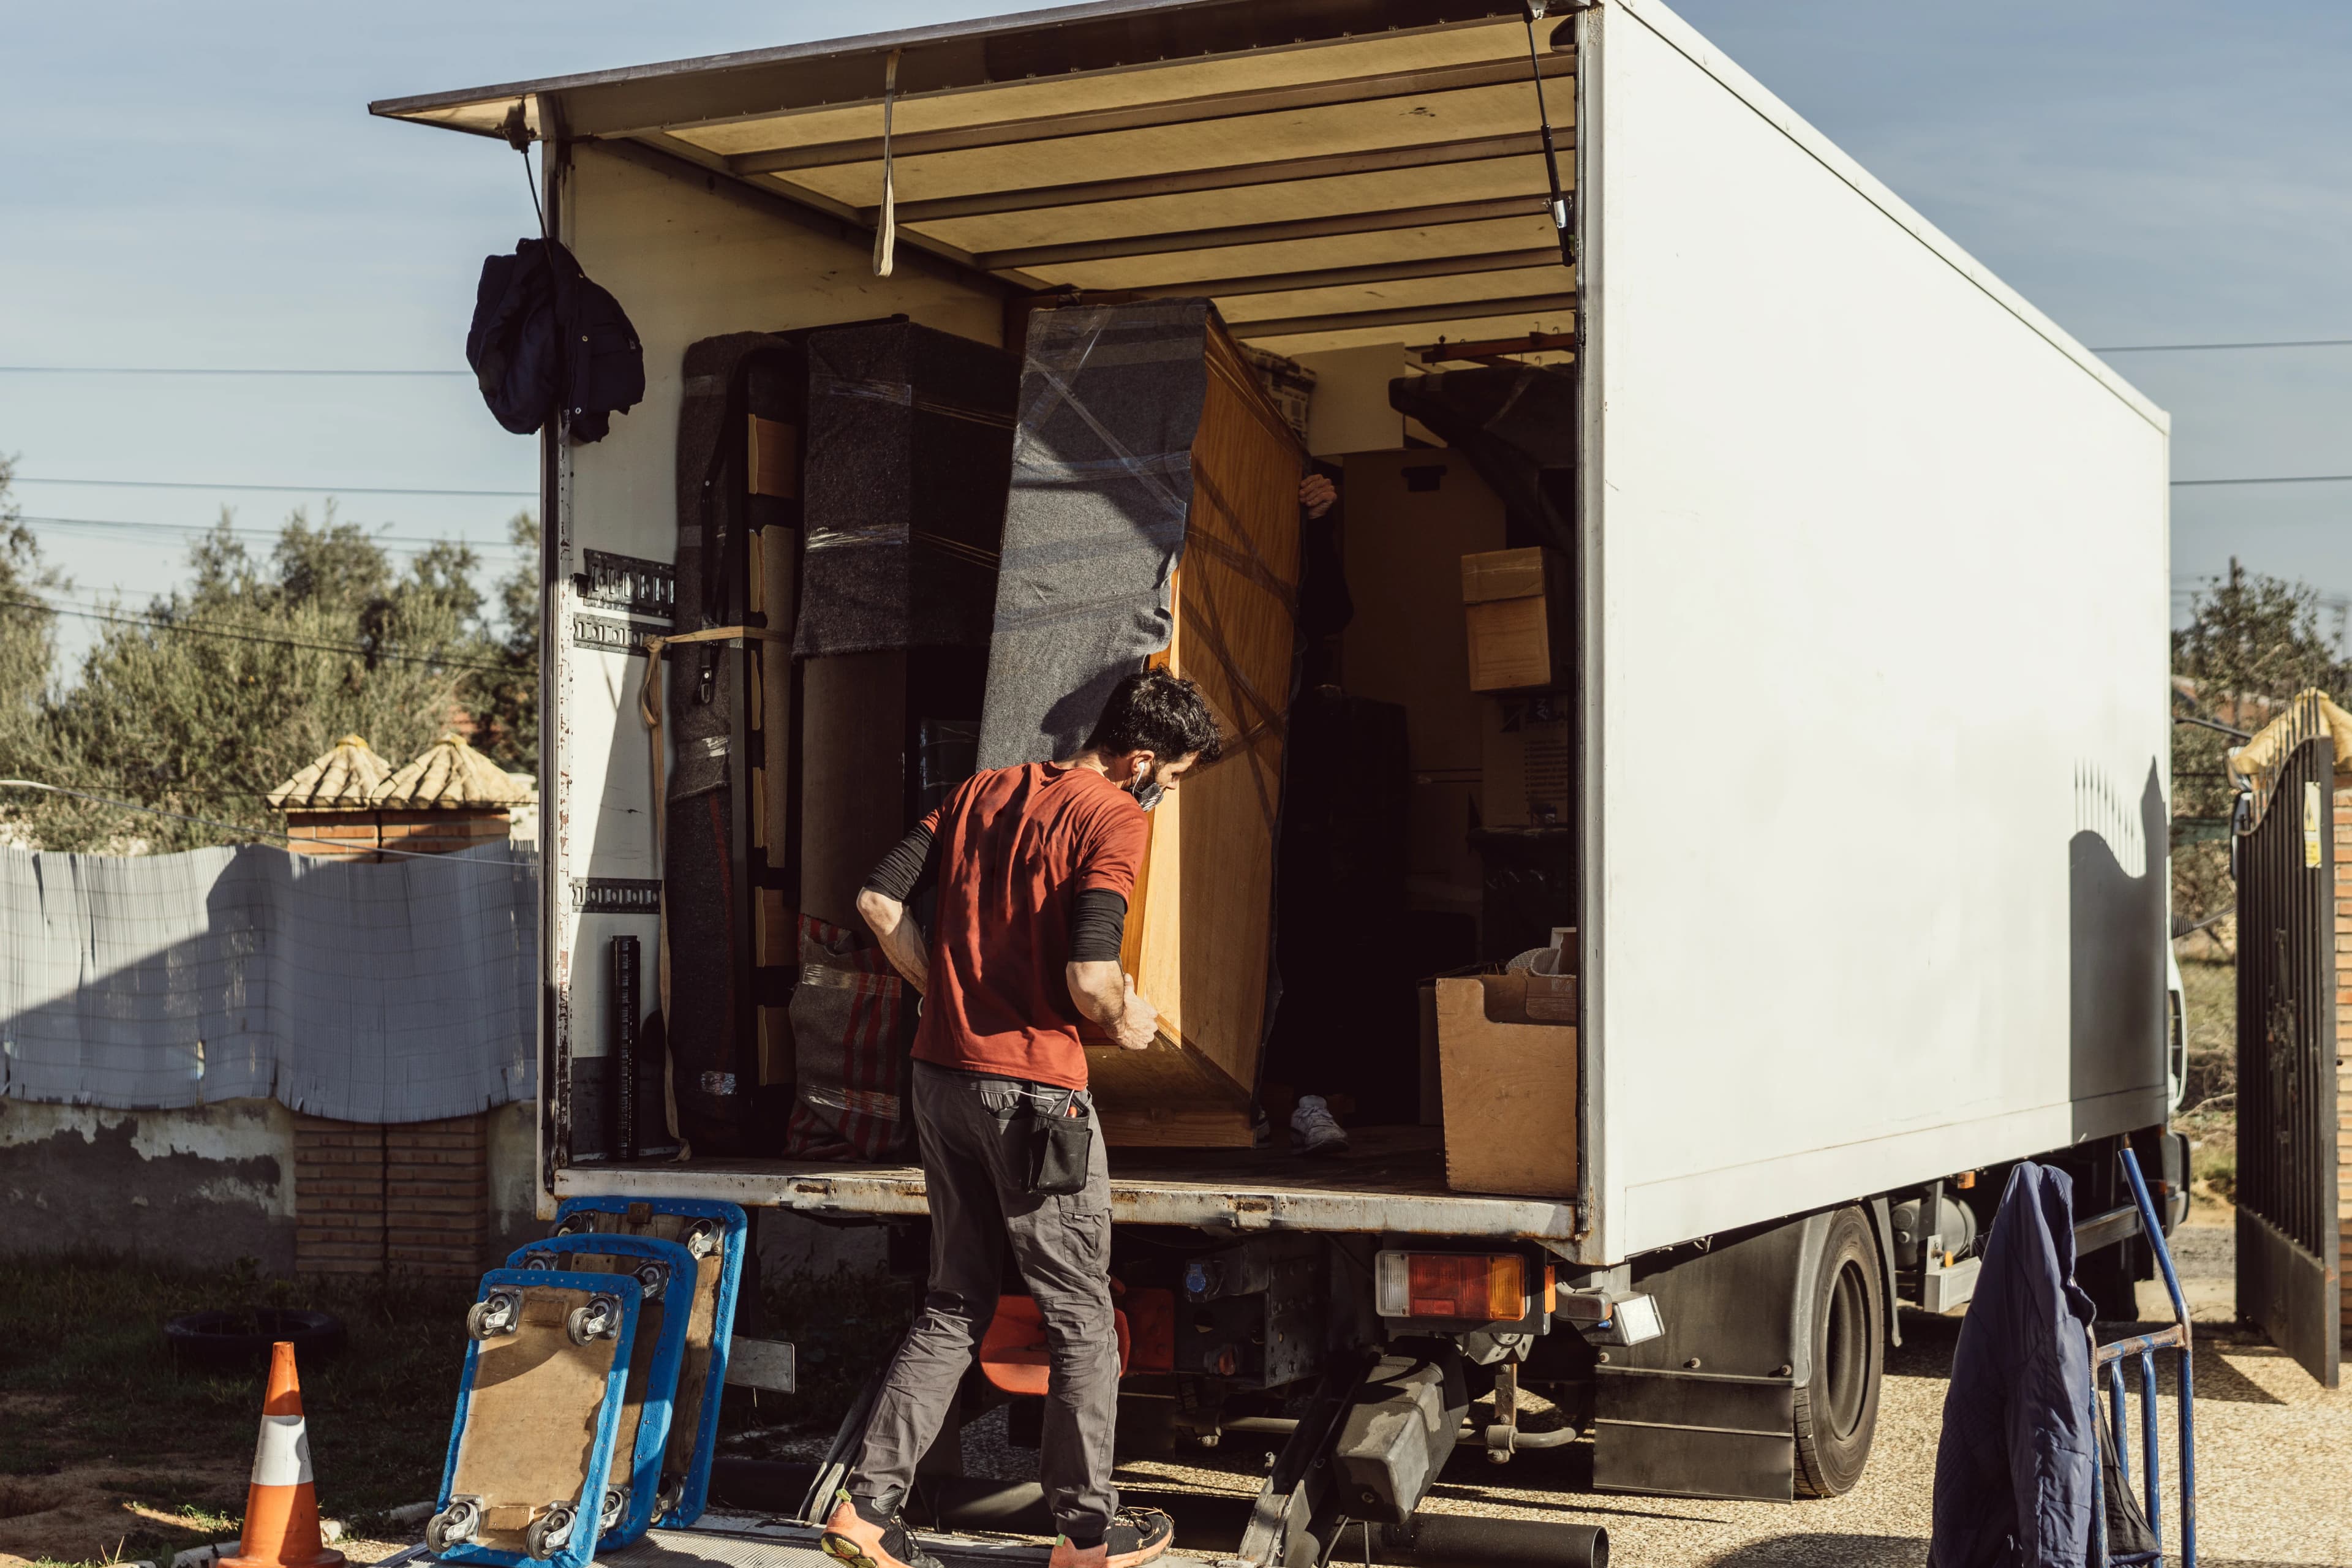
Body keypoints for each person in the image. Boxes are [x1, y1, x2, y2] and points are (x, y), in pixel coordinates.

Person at [821, 666, 1223, 1568]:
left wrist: (946, 996)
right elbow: (1089, 978)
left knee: (955, 1297)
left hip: (941, 1075)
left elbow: (879, 902)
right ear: (1144, 758)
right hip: (1035, 1097)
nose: (1167, 794)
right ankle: (1088, 1532)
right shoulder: (1112, 816)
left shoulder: (978, 790)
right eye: (1175, 779)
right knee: (1079, 1310)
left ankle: (868, 1511)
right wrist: (1128, 1019)